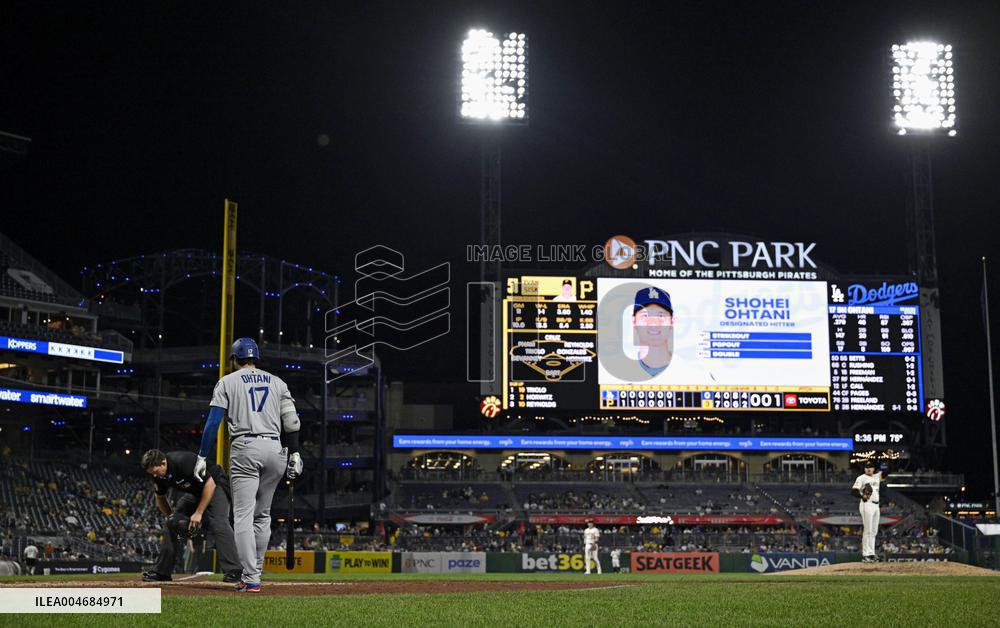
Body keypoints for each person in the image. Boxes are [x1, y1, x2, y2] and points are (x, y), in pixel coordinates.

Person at [196, 337, 303, 592]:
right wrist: (296, 454)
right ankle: (255, 570)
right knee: (262, 515)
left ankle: (251, 577)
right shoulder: (278, 382)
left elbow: (213, 424)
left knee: (243, 515)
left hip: (246, 446)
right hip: (276, 448)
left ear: (234, 359)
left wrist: (202, 456)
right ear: (257, 359)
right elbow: (291, 422)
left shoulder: (227, 381)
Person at [140, 448, 240, 582]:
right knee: (170, 523)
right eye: (152, 473)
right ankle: (162, 572)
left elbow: (209, 485)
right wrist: (172, 518)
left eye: (156, 471)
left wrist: (198, 513)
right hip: (195, 492)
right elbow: (160, 498)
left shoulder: (183, 461)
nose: (155, 476)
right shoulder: (158, 475)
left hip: (216, 484)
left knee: (218, 522)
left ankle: (234, 570)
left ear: (163, 463)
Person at [630, 287, 716, 383]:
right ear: (634, 321)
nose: (653, 323)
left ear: (672, 321)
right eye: (645, 315)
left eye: (661, 315)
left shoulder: (697, 376)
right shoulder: (616, 376)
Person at [851, 461, 886, 563]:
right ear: (864, 469)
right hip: (867, 504)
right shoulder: (861, 478)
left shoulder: (877, 476)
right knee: (868, 530)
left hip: (876, 505)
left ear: (874, 468)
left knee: (874, 531)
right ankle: (865, 555)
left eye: (870, 467)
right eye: (866, 467)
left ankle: (871, 554)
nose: (868, 469)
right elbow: (853, 491)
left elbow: (888, 471)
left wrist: (889, 458)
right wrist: (862, 496)